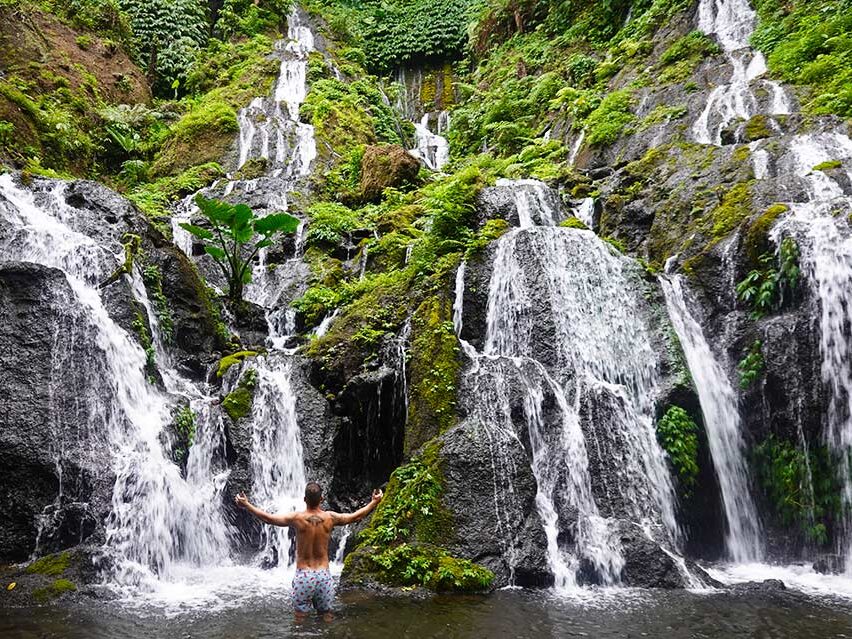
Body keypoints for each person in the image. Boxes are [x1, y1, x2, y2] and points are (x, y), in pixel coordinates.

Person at [234, 482, 382, 619]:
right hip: (323, 575)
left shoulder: (297, 518)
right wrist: (374, 502)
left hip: (304, 575)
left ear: (304, 499)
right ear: (322, 498)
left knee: (300, 617)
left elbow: (268, 518)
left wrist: (247, 504)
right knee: (326, 615)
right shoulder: (331, 517)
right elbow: (356, 517)